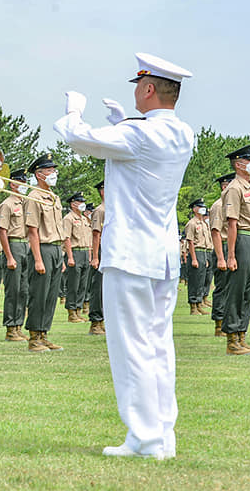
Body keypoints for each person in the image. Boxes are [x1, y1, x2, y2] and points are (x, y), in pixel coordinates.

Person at [54, 52, 194, 459]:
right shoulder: (182, 133)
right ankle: (162, 434)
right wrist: (122, 123)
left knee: (131, 346)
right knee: (157, 346)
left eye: (138, 84)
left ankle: (144, 438)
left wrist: (73, 110)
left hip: (131, 254)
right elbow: (143, 157)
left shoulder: (139, 134)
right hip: (163, 256)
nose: (134, 91)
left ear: (149, 88)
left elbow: (78, 139)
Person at [220, 144, 250, 356]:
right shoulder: (234, 188)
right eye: (249, 160)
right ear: (239, 164)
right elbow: (232, 223)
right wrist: (231, 255)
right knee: (236, 291)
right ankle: (231, 340)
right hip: (242, 239)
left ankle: (242, 336)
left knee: (248, 292)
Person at [23, 154, 65, 353]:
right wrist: (38, 259)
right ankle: (33, 337)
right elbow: (33, 231)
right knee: (39, 293)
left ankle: (44, 334)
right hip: (43, 249)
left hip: (56, 249)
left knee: (51, 295)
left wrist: (62, 255)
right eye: (49, 171)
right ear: (39, 174)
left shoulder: (54, 197)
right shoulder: (33, 197)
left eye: (53, 170)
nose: (53, 173)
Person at [0, 169, 31, 342]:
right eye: (20, 182)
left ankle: (18, 325)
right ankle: (10, 327)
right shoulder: (7, 204)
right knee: (13, 290)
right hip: (14, 245)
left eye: (25, 182)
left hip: (25, 245)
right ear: (12, 184)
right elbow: (2, 231)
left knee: (24, 290)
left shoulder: (26, 202)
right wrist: (9, 256)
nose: (24, 185)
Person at [209, 173, 235, 336]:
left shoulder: (232, 204)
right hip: (222, 247)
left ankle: (229, 321)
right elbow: (215, 231)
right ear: (224, 186)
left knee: (232, 288)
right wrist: (220, 258)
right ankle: (219, 324)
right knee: (222, 288)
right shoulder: (219, 206)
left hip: (232, 248)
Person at [62, 192, 92, 323]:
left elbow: (89, 239)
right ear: (73, 204)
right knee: (73, 284)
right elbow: (67, 238)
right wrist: (69, 257)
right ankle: (71, 311)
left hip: (85, 252)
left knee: (82, 285)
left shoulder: (85, 219)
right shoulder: (69, 218)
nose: (83, 204)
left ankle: (78, 310)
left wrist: (90, 256)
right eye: (80, 202)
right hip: (75, 252)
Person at [184, 199, 211, 316]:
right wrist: (194, 259)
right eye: (200, 207)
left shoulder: (204, 224)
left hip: (204, 252)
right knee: (194, 280)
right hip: (196, 252)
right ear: (194, 209)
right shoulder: (192, 223)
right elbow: (190, 242)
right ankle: (193, 306)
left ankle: (199, 303)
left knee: (201, 279)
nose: (202, 209)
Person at [88, 180, 106, 336]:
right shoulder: (100, 210)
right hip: (101, 252)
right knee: (98, 287)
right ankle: (95, 322)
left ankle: (104, 321)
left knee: (108, 289)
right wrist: (95, 257)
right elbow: (96, 235)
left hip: (112, 252)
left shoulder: (115, 208)